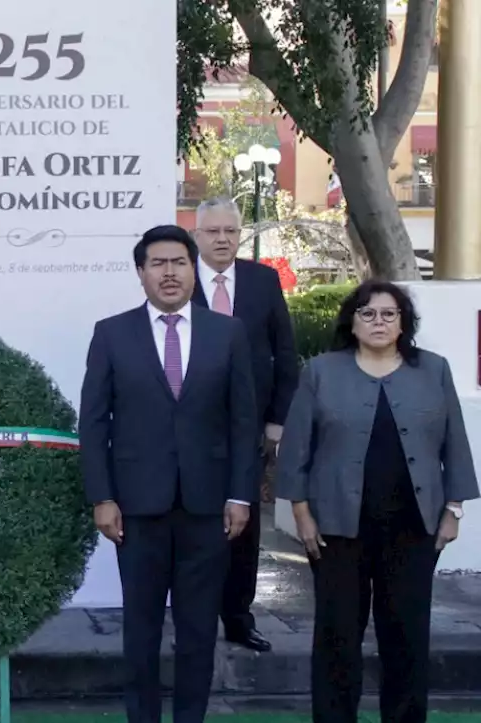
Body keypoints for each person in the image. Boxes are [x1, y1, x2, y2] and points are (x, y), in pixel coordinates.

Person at [276, 280, 479, 723]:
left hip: (413, 527)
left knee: (406, 636)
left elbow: (455, 446)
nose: (379, 322)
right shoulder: (322, 372)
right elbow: (295, 453)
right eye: (368, 313)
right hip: (335, 529)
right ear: (352, 320)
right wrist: (302, 515)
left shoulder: (434, 370)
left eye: (389, 313)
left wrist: (454, 509)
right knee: (337, 638)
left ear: (404, 322)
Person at [79, 225, 258, 723]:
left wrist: (241, 495)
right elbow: (93, 422)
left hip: (209, 507)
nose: (170, 272)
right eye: (158, 263)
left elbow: (244, 421)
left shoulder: (228, 333)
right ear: (141, 273)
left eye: (179, 262)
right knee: (140, 631)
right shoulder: (112, 333)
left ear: (193, 269)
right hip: (136, 508)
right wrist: (102, 496)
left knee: (199, 630)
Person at [190, 197, 299, 652]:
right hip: (190, 427)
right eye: (212, 232)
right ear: (197, 235)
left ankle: (237, 617)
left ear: (239, 235)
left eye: (230, 232)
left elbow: (286, 354)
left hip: (249, 428)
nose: (221, 239)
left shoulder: (262, 280)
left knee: (244, 526)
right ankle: (194, 622)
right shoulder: (175, 278)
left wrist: (277, 421)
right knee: (194, 524)